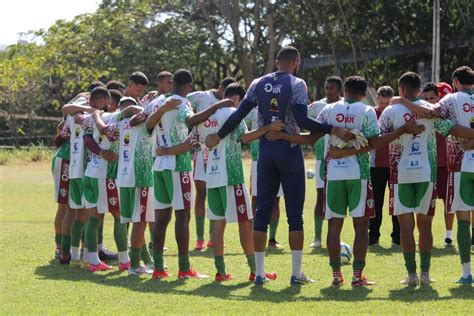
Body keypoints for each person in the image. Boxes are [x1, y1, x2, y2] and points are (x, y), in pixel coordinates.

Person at [205, 46, 354, 286]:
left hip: (265, 154)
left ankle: (260, 275)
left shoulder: (257, 83)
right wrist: (332, 129)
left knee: (262, 213)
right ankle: (296, 274)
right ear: (296, 61)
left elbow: (238, 115)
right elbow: (304, 120)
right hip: (289, 152)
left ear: (276, 62)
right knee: (295, 216)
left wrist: (218, 135)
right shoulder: (297, 84)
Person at [157, 83, 282, 281]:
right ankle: (255, 271)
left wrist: (166, 151)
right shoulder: (233, 113)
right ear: (237, 100)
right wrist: (267, 128)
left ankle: (221, 271)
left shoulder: (203, 120)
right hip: (231, 177)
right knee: (245, 223)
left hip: (211, 177)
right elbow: (245, 138)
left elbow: (190, 144)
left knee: (217, 224)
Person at [396, 66, 474, 284]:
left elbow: (429, 112)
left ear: (456, 82)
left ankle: (467, 274)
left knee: (463, 219)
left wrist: (402, 101)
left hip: (461, 165)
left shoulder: (451, 99)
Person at [146, 69, 208, 279]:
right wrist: (217, 107)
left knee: (162, 218)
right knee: (183, 216)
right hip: (177, 166)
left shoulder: (157, 103)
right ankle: (184, 268)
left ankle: (159, 268)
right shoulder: (181, 102)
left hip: (159, 165)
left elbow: (148, 124)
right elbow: (191, 121)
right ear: (189, 87)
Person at [187, 77, 237, 250]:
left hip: (221, 155)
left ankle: (212, 237)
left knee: (215, 192)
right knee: (201, 194)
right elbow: (183, 101)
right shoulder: (202, 97)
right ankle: (199, 237)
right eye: (226, 93)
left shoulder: (231, 109)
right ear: (220, 88)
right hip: (202, 153)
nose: (229, 98)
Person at [307, 76, 343, 249]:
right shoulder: (316, 107)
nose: (328, 91)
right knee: (321, 198)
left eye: (332, 88)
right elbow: (303, 122)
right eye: (327, 88)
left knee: (338, 200)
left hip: (342, 159)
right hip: (322, 160)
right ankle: (317, 237)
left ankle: (335, 238)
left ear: (340, 90)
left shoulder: (346, 107)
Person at [246, 107, 284, 249]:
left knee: (275, 201)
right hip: (258, 159)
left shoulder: (283, 107)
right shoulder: (252, 111)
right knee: (256, 200)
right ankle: (253, 236)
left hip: (280, 158)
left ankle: (272, 239)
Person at [422, 81, 454, 247]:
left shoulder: (446, 113)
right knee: (427, 202)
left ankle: (449, 235)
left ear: (439, 97)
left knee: (449, 201)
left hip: (446, 163)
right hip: (426, 164)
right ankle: (426, 235)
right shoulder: (420, 112)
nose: (429, 101)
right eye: (426, 98)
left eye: (432, 98)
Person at [369, 86, 400, 246]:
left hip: (396, 164)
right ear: (377, 99)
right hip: (376, 165)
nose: (383, 106)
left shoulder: (397, 112)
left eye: (386, 103)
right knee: (376, 203)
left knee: (396, 203)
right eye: (380, 103)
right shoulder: (371, 113)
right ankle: (373, 237)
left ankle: (398, 237)